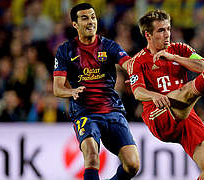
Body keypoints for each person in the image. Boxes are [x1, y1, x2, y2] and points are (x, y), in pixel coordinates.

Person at [127, 10, 204, 180]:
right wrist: (154, 95)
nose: (167, 35)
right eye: (161, 31)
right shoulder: (137, 61)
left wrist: (174, 57)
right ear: (148, 35)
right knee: (187, 91)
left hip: (186, 114)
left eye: (168, 29)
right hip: (158, 115)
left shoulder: (179, 48)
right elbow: (137, 91)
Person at [53, 3, 139, 180]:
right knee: (92, 157)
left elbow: (129, 63)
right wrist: (72, 92)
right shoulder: (66, 50)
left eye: (93, 17)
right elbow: (57, 88)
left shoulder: (109, 46)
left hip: (113, 111)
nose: (91, 21)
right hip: (85, 113)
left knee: (132, 165)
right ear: (75, 24)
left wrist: (135, 73)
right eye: (85, 18)